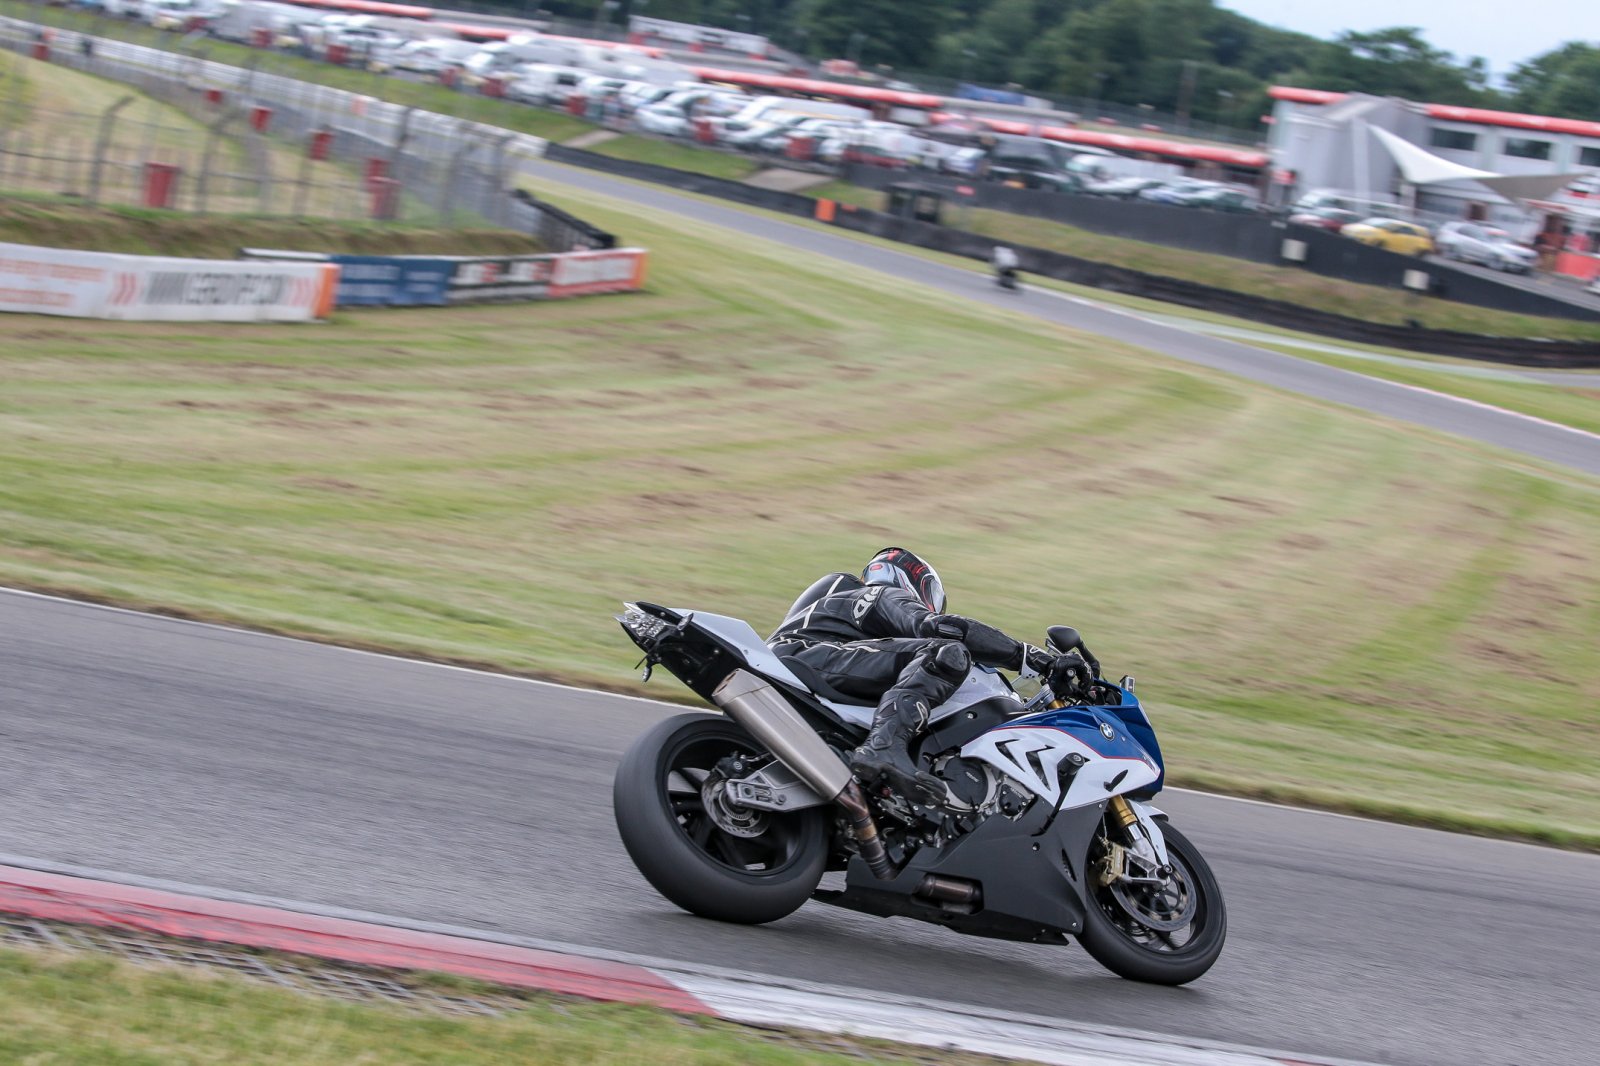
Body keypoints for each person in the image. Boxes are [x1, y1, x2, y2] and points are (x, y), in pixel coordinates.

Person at [768, 548, 1087, 803]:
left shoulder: (836, 612)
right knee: (944, 652)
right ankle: (884, 747)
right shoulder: (877, 594)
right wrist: (1030, 656)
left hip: (808, 671)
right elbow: (938, 628)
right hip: (809, 659)